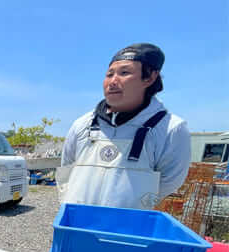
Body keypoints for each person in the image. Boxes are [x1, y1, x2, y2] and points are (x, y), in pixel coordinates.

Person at [59, 43, 191, 209]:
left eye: (124, 73)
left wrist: (132, 205)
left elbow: (170, 181)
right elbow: (66, 168)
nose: (113, 81)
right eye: (109, 74)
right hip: (75, 226)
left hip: (127, 229)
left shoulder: (171, 129)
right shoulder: (82, 124)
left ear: (150, 77)